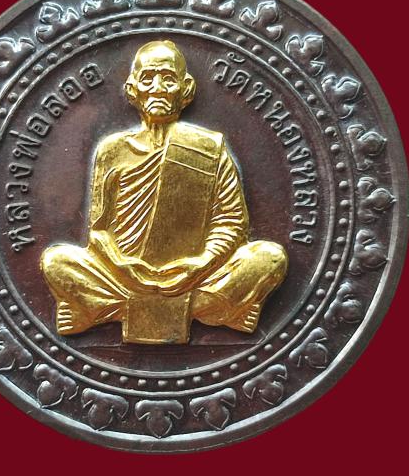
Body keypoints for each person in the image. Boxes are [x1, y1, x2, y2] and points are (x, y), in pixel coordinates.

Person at [41, 40, 287, 343]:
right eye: (148, 78)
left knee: (269, 258)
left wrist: (200, 264)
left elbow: (231, 222)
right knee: (56, 261)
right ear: (133, 89)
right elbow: (99, 231)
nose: (157, 88)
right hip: (123, 276)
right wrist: (123, 266)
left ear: (186, 89)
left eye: (168, 79)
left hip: (196, 274)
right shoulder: (112, 150)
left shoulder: (208, 148)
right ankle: (214, 310)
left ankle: (104, 310)